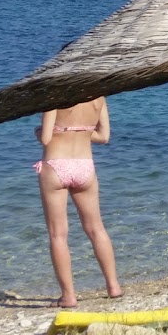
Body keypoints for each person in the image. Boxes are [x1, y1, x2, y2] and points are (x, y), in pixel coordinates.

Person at [34, 97, 122, 307]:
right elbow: (104, 136)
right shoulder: (99, 97)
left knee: (58, 234)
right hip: (85, 165)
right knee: (96, 228)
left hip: (56, 164)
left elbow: (46, 138)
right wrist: (79, 132)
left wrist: (38, 131)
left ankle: (68, 296)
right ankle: (113, 286)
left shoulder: (55, 96)